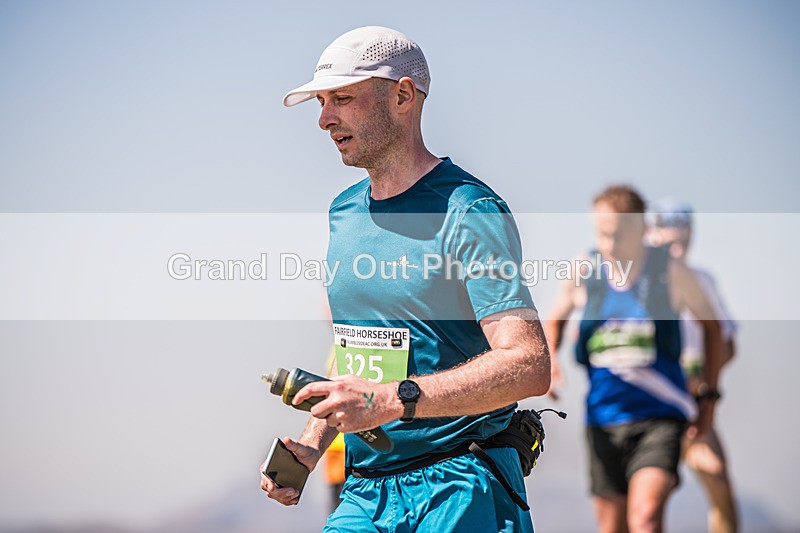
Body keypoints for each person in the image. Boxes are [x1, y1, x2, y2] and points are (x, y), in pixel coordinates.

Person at [260, 26, 551, 532]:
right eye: (322, 103)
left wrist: (393, 401)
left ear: (402, 96)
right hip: (365, 491)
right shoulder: (343, 213)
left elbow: (528, 364)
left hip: (462, 482)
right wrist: (311, 442)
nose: (325, 119)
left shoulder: (470, 210)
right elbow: (362, 354)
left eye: (342, 99)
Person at [545, 185, 723, 533]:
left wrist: (709, 398)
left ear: (642, 229)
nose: (607, 244)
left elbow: (713, 329)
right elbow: (555, 318)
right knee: (612, 526)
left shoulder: (668, 271)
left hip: (661, 417)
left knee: (646, 516)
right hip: (603, 419)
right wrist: (551, 361)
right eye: (601, 234)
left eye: (617, 235)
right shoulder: (585, 268)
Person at [649, 199, 738, 533]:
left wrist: (701, 381)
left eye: (684, 236)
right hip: (651, 404)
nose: (678, 244)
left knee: (718, 480)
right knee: (648, 501)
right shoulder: (639, 281)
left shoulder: (703, 281)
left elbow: (726, 342)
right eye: (671, 235)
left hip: (693, 402)